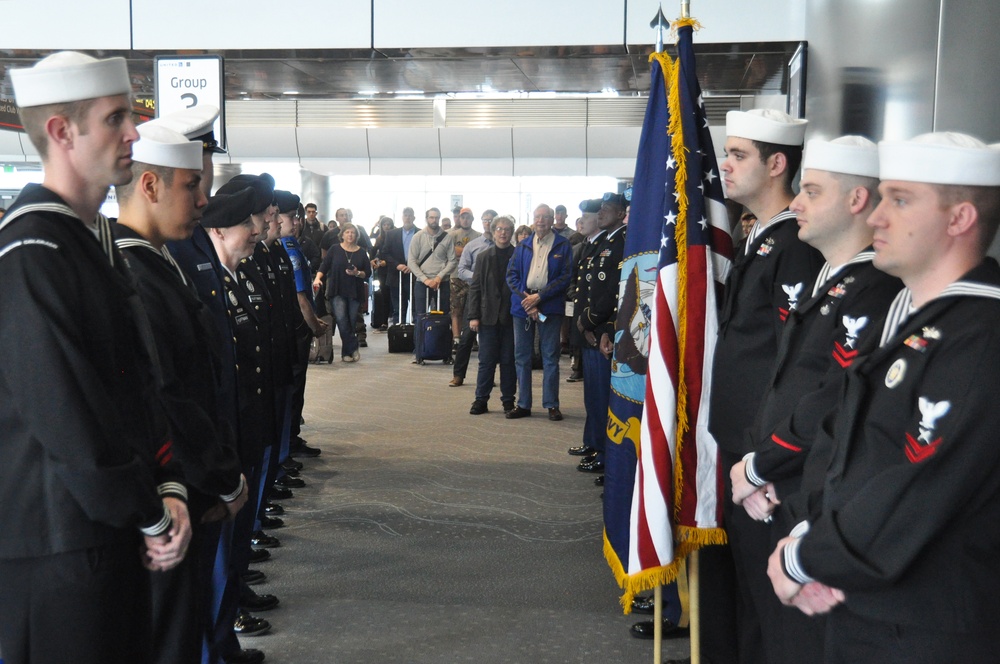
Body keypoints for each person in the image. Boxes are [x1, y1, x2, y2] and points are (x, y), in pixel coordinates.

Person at [766, 132, 1000, 662]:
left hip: (926, 626)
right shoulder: (916, 319)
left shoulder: (981, 336)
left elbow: (922, 484)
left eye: (899, 200)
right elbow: (848, 441)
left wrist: (806, 556)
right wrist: (812, 530)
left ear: (959, 219)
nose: (876, 217)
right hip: (872, 604)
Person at [0, 51, 184, 664]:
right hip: (62, 549)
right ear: (60, 132)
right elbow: (68, 414)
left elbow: (137, 385)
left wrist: (168, 485)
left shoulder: (79, 241)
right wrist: (151, 513)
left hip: (102, 534)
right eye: (115, 119)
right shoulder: (32, 251)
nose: (134, 133)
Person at [727, 136, 902, 663]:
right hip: (770, 483)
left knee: (794, 642)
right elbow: (780, 383)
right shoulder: (832, 281)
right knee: (764, 626)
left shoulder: (874, 289)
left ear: (855, 201)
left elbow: (835, 399)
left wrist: (766, 467)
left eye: (812, 192)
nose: (796, 203)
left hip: (799, 491)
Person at [113, 123, 250, 664]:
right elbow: (168, 395)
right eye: (192, 186)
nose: (204, 200)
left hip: (187, 490)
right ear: (149, 186)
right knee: (167, 639)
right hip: (171, 497)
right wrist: (218, 476)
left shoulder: (158, 260)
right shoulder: (133, 271)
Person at [705, 108, 823, 664]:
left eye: (738, 155)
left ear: (777, 164)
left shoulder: (795, 247)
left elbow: (791, 364)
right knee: (747, 588)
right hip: (739, 444)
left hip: (763, 455)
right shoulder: (760, 239)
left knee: (769, 601)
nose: (725, 166)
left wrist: (762, 462)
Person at [505, 204, 573, 421]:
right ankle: (523, 404)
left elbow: (565, 277)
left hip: (550, 306)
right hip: (523, 306)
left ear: (553, 220)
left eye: (545, 217)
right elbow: (511, 276)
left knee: (550, 357)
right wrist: (529, 300)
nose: (541, 221)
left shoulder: (563, 245)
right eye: (537, 217)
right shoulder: (522, 245)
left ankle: (552, 404)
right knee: (522, 357)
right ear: (533, 219)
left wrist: (540, 297)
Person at [574, 193, 627, 476]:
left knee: (603, 397)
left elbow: (613, 292)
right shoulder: (604, 243)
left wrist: (592, 322)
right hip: (592, 327)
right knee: (593, 395)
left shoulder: (620, 242)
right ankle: (595, 444)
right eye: (601, 209)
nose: (602, 212)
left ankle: (606, 455)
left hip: (604, 330)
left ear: (621, 214)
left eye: (608, 209)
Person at [467, 215, 518, 414]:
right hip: (487, 317)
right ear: (493, 231)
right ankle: (481, 400)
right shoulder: (483, 257)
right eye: (499, 229)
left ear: (511, 232)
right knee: (486, 361)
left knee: (508, 361)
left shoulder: (519, 255)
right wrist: (473, 315)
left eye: (506, 229)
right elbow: (476, 288)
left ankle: (508, 401)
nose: (503, 232)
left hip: (511, 316)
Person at [450, 208, 498, 387]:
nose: (488, 223)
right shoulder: (473, 245)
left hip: (497, 298)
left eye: (491, 220)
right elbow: (462, 271)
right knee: (467, 337)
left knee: (491, 339)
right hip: (476, 294)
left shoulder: (504, 246)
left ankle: (488, 376)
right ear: (482, 222)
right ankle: (458, 375)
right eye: (485, 220)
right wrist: (479, 279)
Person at [314, 222, 370, 362]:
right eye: (347, 232)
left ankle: (347, 353)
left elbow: (367, 273)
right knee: (341, 320)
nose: (350, 235)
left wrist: (358, 273)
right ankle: (353, 346)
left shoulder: (362, 252)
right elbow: (324, 265)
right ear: (342, 235)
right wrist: (317, 278)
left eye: (352, 232)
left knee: (351, 322)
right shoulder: (334, 249)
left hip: (355, 291)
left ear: (356, 235)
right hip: (337, 290)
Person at [408, 207, 457, 319]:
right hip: (422, 282)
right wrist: (425, 280)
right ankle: (420, 337)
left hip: (442, 282)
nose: (434, 220)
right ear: (426, 219)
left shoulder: (447, 237)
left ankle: (440, 337)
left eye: (436, 217)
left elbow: (452, 260)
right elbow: (411, 261)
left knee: (443, 316)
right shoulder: (418, 237)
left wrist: (439, 277)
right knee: (420, 316)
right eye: (431, 217)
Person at [379, 206, 419, 325]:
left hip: (416, 276)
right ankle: (398, 336)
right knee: (398, 309)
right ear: (402, 217)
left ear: (414, 217)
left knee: (417, 309)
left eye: (410, 215)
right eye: (405, 215)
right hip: (396, 276)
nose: (408, 218)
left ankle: (416, 337)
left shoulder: (421, 233)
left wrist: (414, 265)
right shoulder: (392, 234)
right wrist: (397, 265)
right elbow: (385, 253)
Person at [448, 207, 482, 341]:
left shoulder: (479, 236)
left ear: (472, 219)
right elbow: (450, 253)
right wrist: (468, 252)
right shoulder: (452, 235)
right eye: (463, 217)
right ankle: (456, 338)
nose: (465, 220)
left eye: (468, 217)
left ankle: (471, 338)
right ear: (458, 219)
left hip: (473, 277)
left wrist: (461, 252)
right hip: (455, 276)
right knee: (456, 309)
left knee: (472, 309)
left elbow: (479, 256)